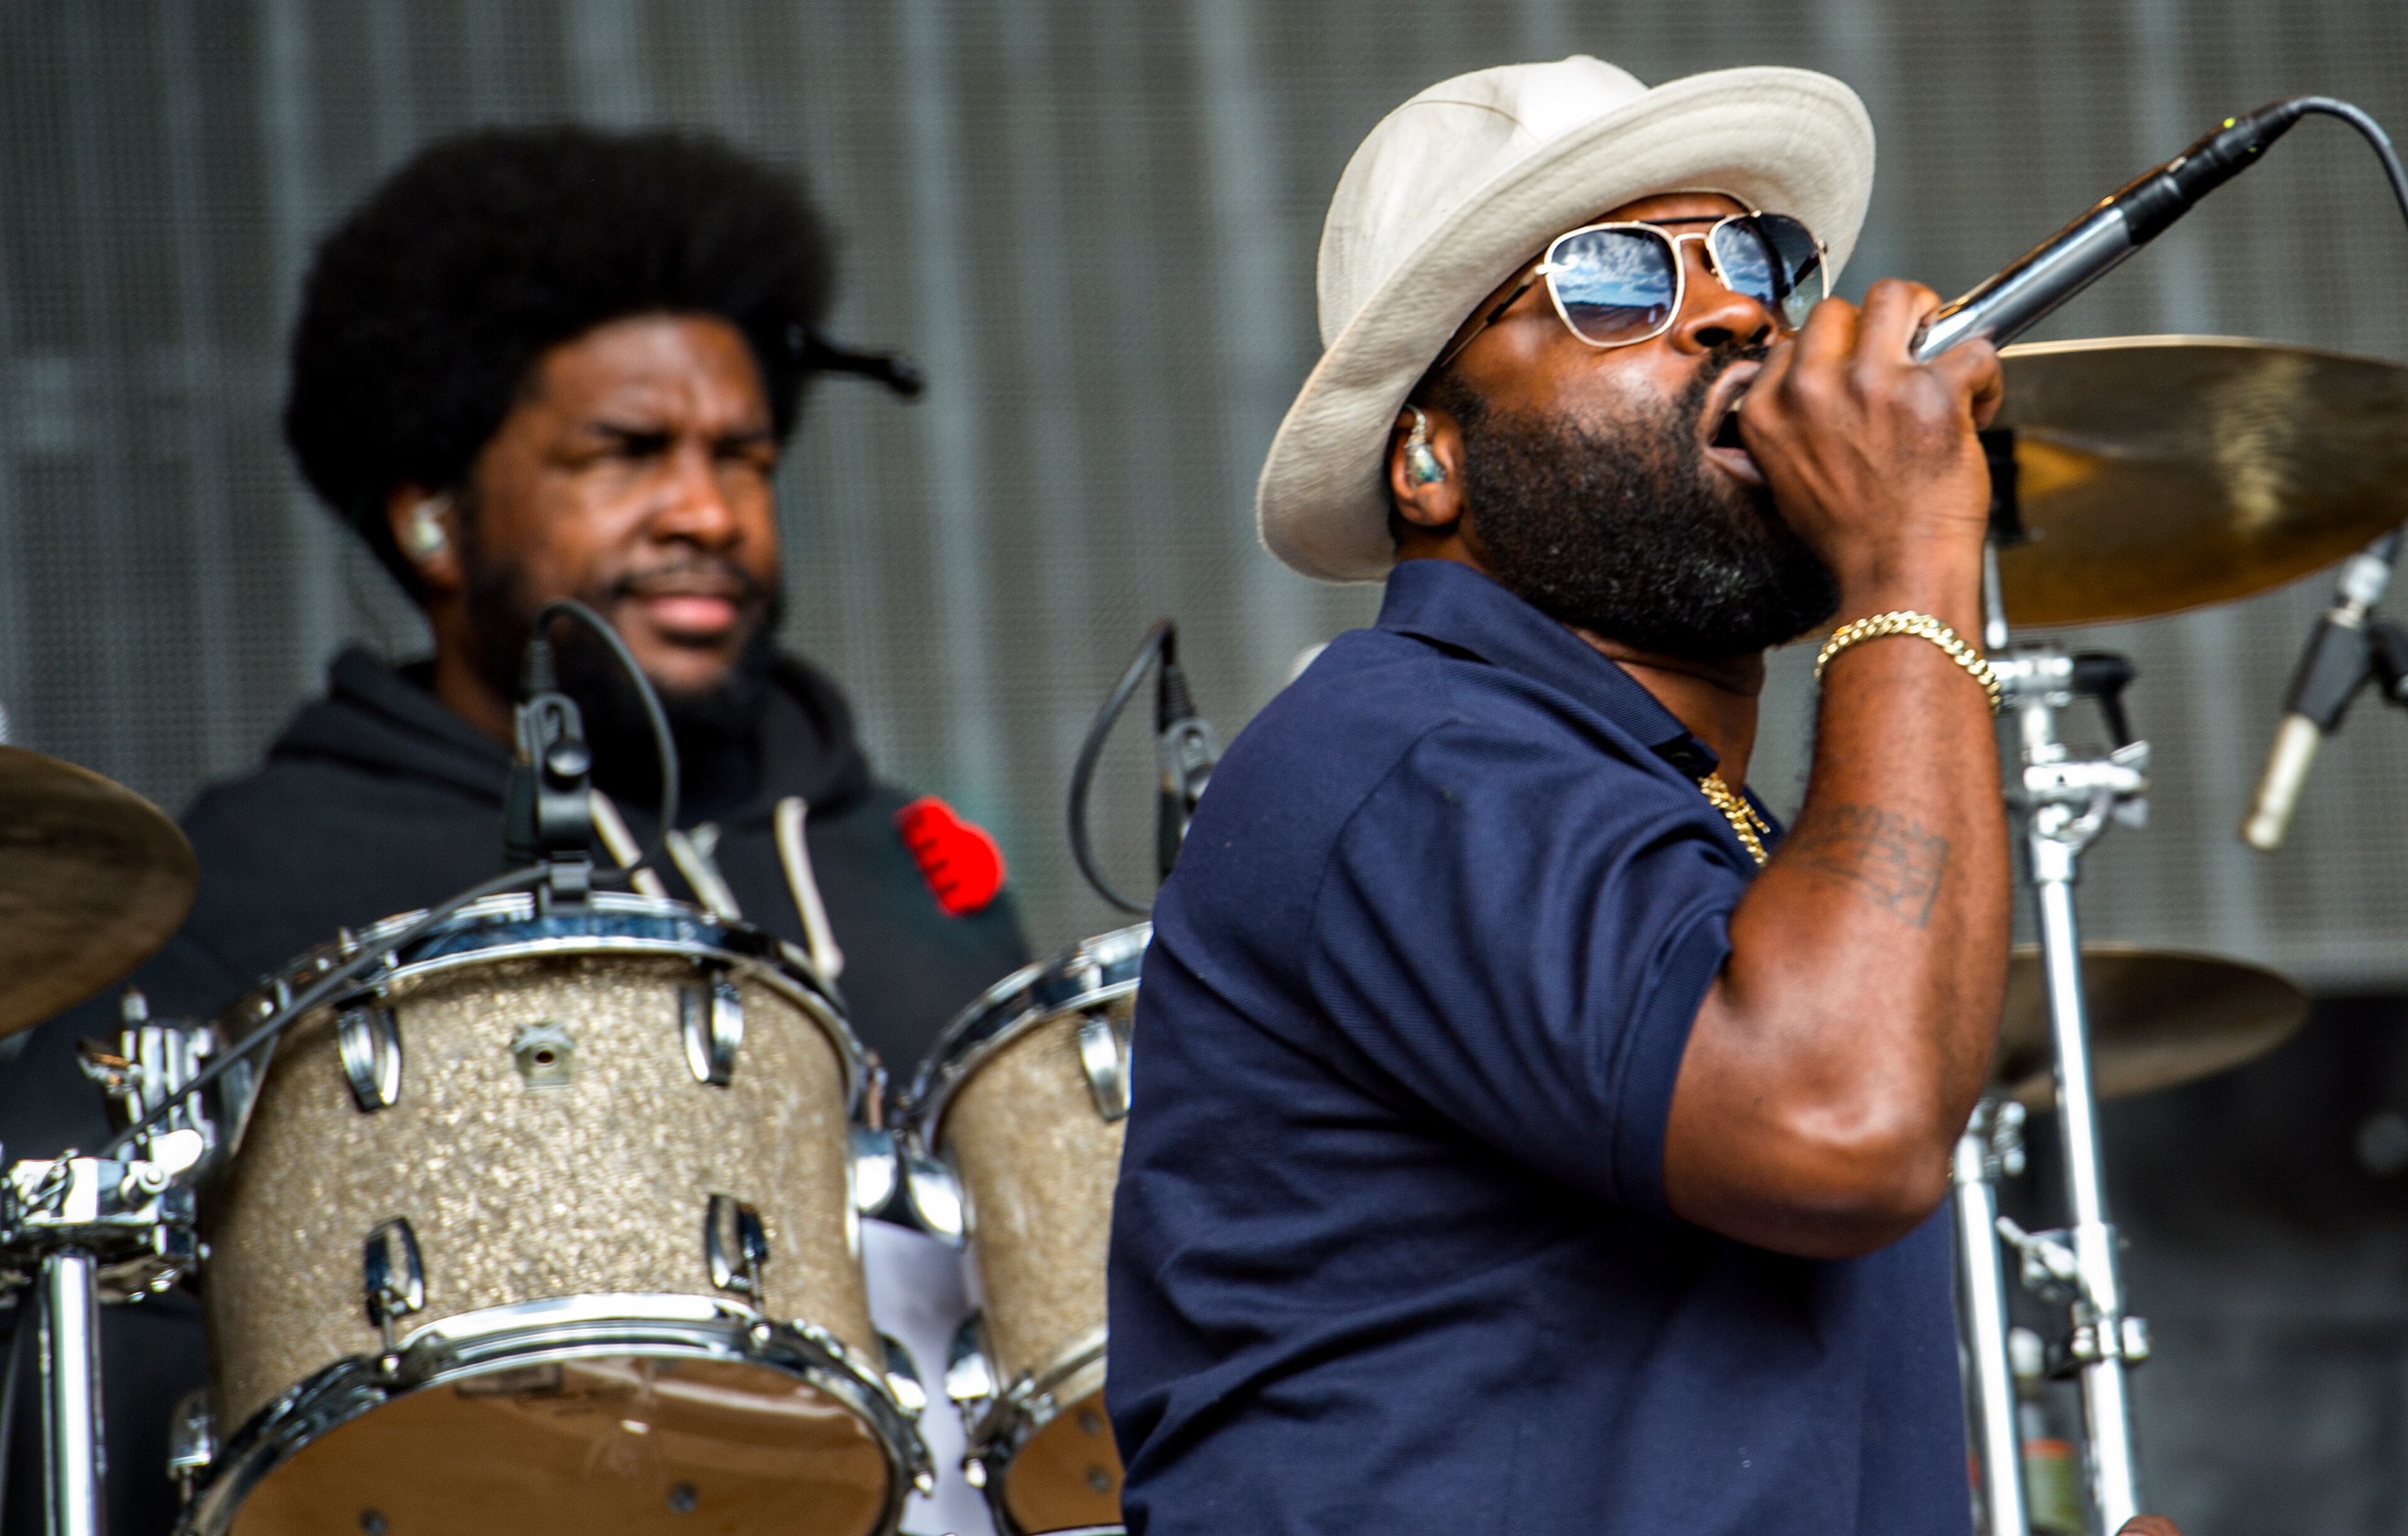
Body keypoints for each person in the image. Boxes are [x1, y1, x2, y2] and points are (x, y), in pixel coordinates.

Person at [1106, 56, 2185, 1536]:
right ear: (1426, 457)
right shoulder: (1387, 745)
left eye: (1759, 260)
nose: (1738, 312)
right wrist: (1913, 561)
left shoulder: (1722, 852)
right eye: (1611, 278)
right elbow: (1840, 1123)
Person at [0, 125, 1023, 1535]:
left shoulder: (895, 856)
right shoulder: (252, 883)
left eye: (746, 458)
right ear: (432, 520)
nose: (709, 510)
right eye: (627, 453)